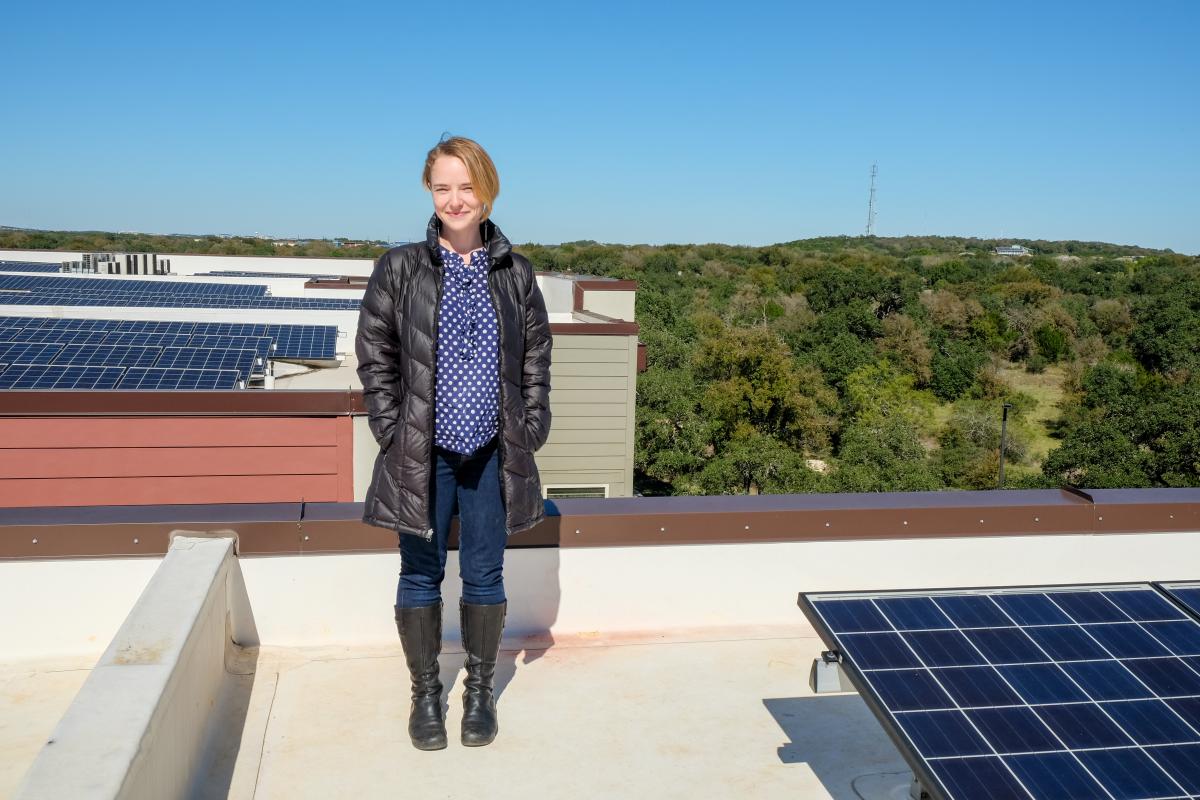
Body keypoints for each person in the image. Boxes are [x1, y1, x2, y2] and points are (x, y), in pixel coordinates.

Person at [355, 135, 552, 750]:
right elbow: (376, 353)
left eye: (467, 186)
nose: (455, 199)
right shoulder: (400, 267)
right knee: (420, 574)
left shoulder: (515, 274)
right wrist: (392, 428)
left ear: (487, 191)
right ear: (429, 193)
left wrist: (532, 425)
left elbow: (537, 358)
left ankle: (478, 693)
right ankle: (425, 694)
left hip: (494, 452)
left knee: (485, 575)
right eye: (443, 187)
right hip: (423, 451)